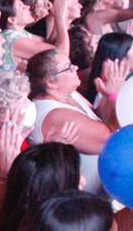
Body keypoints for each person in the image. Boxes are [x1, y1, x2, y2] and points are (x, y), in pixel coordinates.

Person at [26, 48, 120, 193]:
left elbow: (98, 118)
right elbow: (113, 141)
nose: (75, 67)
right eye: (68, 68)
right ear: (51, 82)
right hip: (82, 201)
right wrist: (114, 96)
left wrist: (106, 95)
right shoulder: (57, 115)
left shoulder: (69, 94)